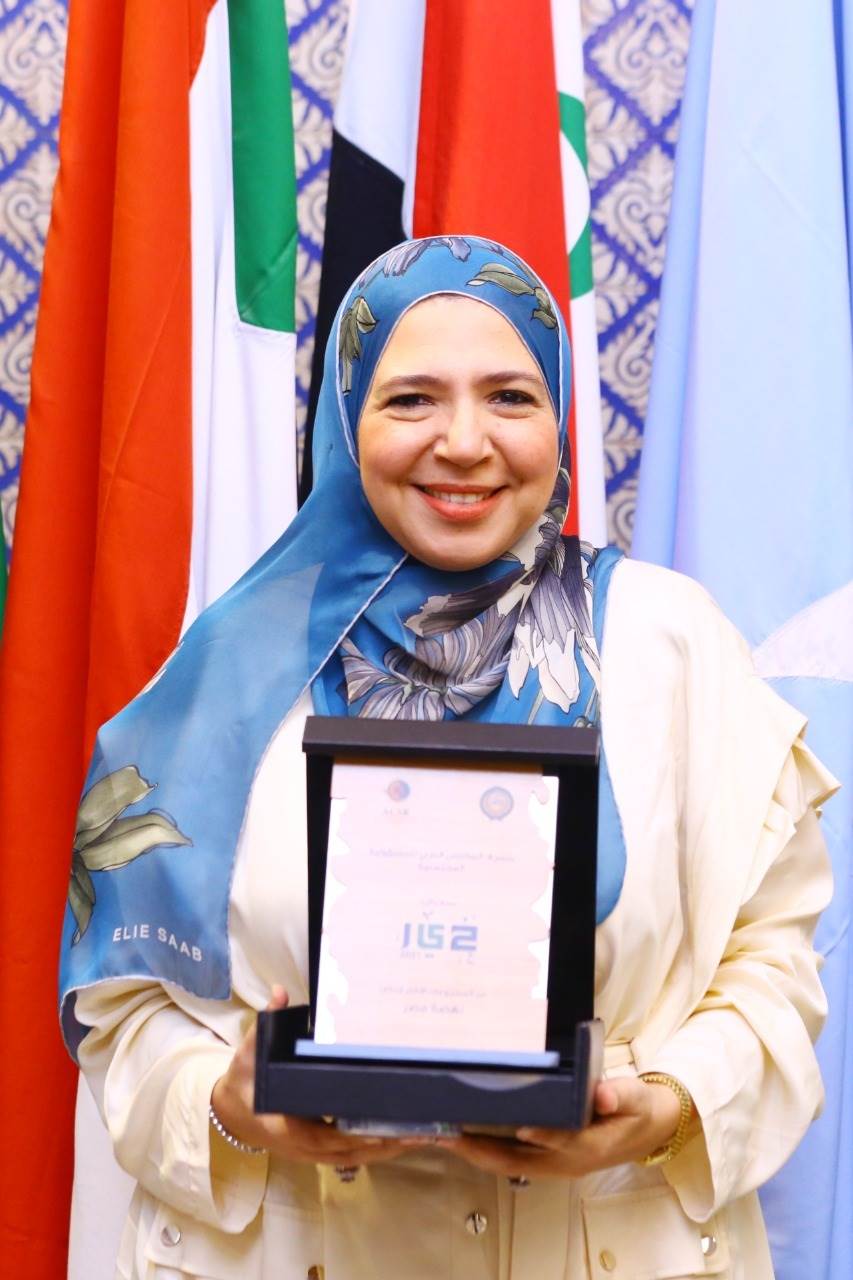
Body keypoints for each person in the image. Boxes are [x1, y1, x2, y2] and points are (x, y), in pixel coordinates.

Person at [61, 236, 836, 1280]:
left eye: (510, 396)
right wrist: (226, 1104)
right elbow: (127, 1001)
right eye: (411, 399)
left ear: (557, 414)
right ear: (347, 420)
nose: (464, 443)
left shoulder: (673, 644)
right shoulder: (226, 671)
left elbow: (773, 963)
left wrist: (664, 1107)